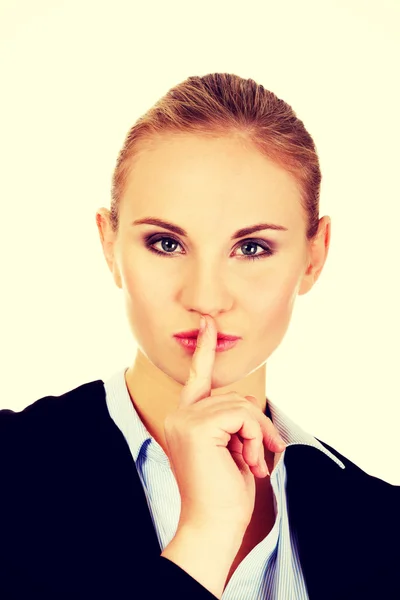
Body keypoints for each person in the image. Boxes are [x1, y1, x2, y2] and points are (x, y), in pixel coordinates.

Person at [0, 73, 399, 600]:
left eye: (252, 248)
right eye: (165, 243)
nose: (206, 297)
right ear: (108, 243)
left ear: (315, 256)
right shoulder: (12, 471)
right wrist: (204, 537)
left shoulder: (384, 526)